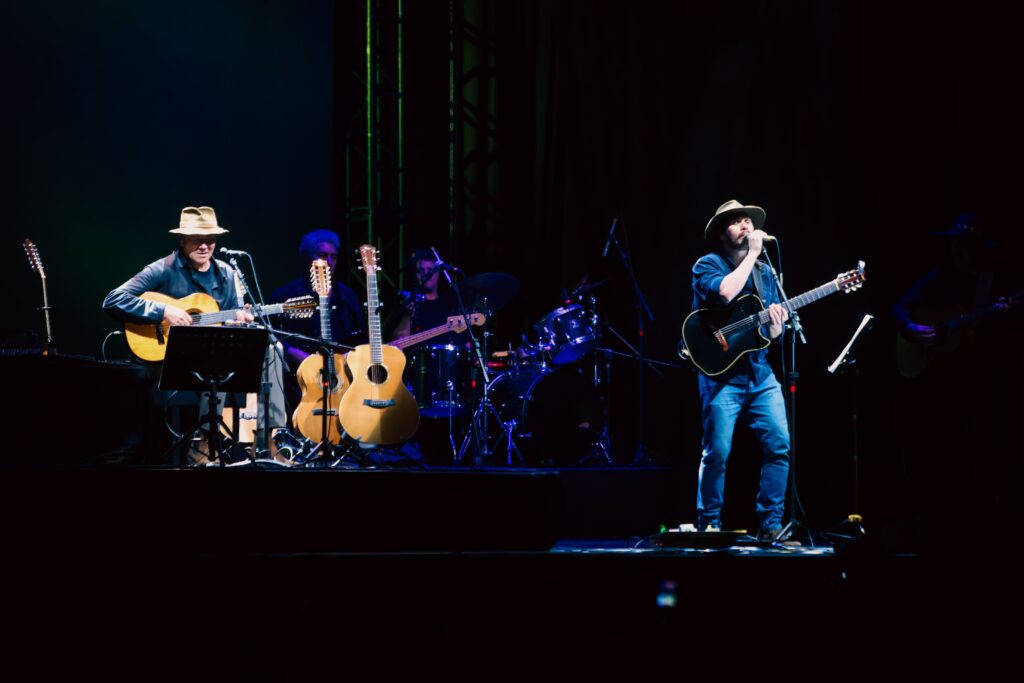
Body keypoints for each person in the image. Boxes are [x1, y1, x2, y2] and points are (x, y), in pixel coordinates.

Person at [102, 206, 262, 464]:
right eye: (196, 239)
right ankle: (190, 454)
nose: (204, 246)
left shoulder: (227, 274)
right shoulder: (162, 269)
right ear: (182, 240)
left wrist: (238, 322)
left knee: (260, 356)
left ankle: (230, 450)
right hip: (166, 363)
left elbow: (231, 320)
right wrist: (162, 310)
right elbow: (113, 300)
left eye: (210, 239)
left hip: (212, 364)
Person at [892, 212, 1021, 529]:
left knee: (988, 445)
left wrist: (1001, 315)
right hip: (944, 382)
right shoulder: (940, 277)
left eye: (964, 245)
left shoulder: (998, 279)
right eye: (954, 245)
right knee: (941, 448)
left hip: (986, 377)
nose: (958, 251)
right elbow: (899, 307)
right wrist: (913, 327)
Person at [691, 199, 792, 542]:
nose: (746, 227)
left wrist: (776, 329)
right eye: (737, 222)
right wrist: (751, 254)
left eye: (749, 221)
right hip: (722, 378)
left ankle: (770, 524)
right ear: (722, 234)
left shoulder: (767, 274)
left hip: (760, 375)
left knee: (779, 444)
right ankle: (709, 525)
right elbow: (724, 293)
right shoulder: (707, 264)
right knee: (717, 452)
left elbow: (768, 336)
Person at [269, 229, 364, 417]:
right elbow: (272, 337)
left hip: (342, 378)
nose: (328, 262)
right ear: (306, 258)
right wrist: (299, 356)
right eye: (321, 255)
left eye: (333, 257)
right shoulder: (285, 296)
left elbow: (359, 336)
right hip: (299, 379)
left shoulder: (347, 296)